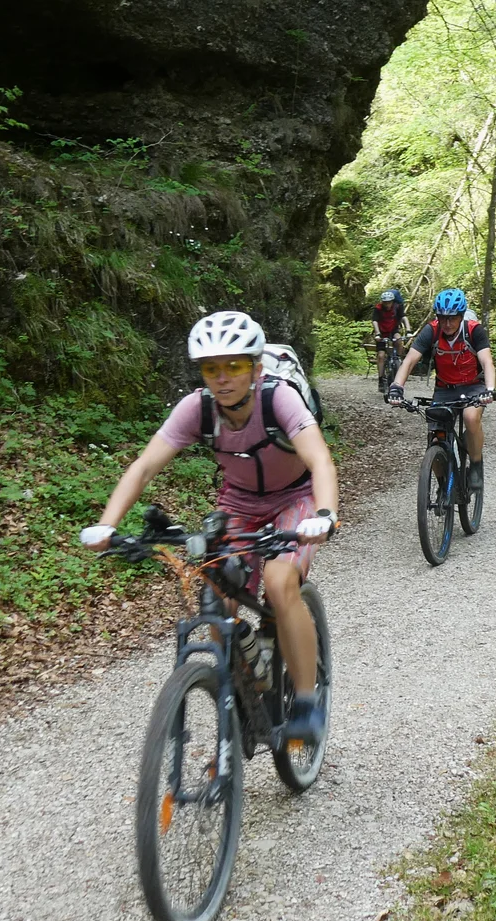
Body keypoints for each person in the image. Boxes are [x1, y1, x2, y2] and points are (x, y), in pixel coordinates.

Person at [80, 311, 338, 743]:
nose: (222, 378)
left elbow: (319, 460)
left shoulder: (279, 399)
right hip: (238, 502)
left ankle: (308, 702)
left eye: (234, 366)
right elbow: (144, 467)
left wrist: (325, 515)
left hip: (296, 497)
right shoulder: (197, 409)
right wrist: (107, 525)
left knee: (278, 582)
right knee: (216, 590)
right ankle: (248, 661)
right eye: (211, 368)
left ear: (255, 368)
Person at [385, 288, 496, 485]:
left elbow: (487, 361)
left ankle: (476, 465)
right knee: (435, 439)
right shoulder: (432, 330)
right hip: (445, 388)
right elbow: (410, 360)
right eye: (442, 317)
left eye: (452, 318)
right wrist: (396, 387)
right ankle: (444, 485)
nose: (447, 323)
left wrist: (489, 389)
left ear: (461, 316)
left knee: (471, 417)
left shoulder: (474, 331)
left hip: (473, 387)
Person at [369, 287, 409, 376]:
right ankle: (381, 379)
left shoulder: (397, 307)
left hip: (393, 330)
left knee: (399, 340)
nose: (387, 304)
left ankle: (398, 358)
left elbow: (404, 317)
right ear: (382, 302)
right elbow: (375, 321)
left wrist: (408, 330)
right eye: (385, 302)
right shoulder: (378, 308)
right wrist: (377, 334)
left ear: (393, 301)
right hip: (381, 332)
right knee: (381, 356)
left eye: (389, 302)